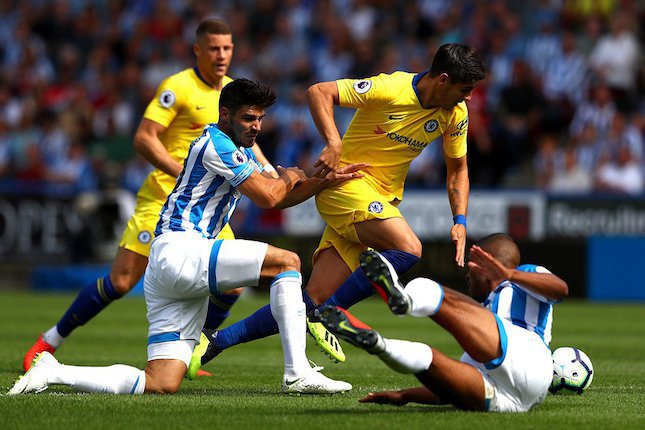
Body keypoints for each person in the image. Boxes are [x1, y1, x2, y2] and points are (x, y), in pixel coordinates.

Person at [8, 78, 363, 396]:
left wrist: (321, 182)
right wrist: (289, 176)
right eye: (248, 119)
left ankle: (54, 372)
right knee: (288, 263)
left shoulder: (234, 148)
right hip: (182, 250)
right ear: (225, 115)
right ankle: (297, 372)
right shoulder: (217, 144)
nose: (256, 127)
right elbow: (271, 195)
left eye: (260, 119)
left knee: (160, 382)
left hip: (170, 269)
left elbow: (280, 198)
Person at [196, 43, 487, 366]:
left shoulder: (455, 113)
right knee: (409, 248)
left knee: (309, 300)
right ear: (443, 80)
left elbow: (458, 169)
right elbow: (319, 91)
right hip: (346, 186)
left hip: (378, 197)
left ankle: (216, 341)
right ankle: (328, 317)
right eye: (466, 89)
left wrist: (459, 218)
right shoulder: (391, 88)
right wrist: (334, 143)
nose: (470, 97)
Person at [22, 19, 276, 374]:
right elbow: (144, 137)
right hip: (161, 199)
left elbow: (250, 143)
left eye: (228, 48)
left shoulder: (233, 91)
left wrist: (271, 173)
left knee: (233, 287)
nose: (222, 55)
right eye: (215, 48)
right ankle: (48, 341)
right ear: (198, 50)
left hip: (202, 210)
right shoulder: (178, 86)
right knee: (123, 281)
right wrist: (184, 172)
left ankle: (191, 349)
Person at [318, 233, 568, 412]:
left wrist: (510, 274)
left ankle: (405, 301)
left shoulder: (521, 277)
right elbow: (447, 392)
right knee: (427, 359)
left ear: (485, 262)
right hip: (514, 399)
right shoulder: (482, 312)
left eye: (471, 265)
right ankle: (378, 344)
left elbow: (560, 289)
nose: (467, 275)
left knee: (430, 289)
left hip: (527, 355)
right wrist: (406, 395)